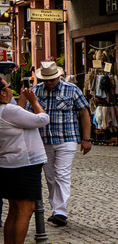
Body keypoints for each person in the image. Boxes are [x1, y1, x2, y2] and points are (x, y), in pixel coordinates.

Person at [31, 61, 89, 228]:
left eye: (52, 79)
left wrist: (86, 139)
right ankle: (56, 209)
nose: (49, 83)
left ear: (58, 76)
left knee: (62, 174)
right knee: (50, 177)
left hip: (67, 139)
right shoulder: (35, 91)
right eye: (46, 80)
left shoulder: (72, 89)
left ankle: (60, 212)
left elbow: (84, 112)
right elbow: (25, 113)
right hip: (43, 140)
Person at [0, 77, 49, 244]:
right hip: (24, 164)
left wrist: (22, 99)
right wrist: (34, 101)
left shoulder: (4, 111)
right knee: (25, 210)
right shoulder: (9, 111)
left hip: (7, 164)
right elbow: (43, 119)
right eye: (7, 87)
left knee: (14, 210)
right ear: (2, 92)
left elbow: (15, 116)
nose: (9, 90)